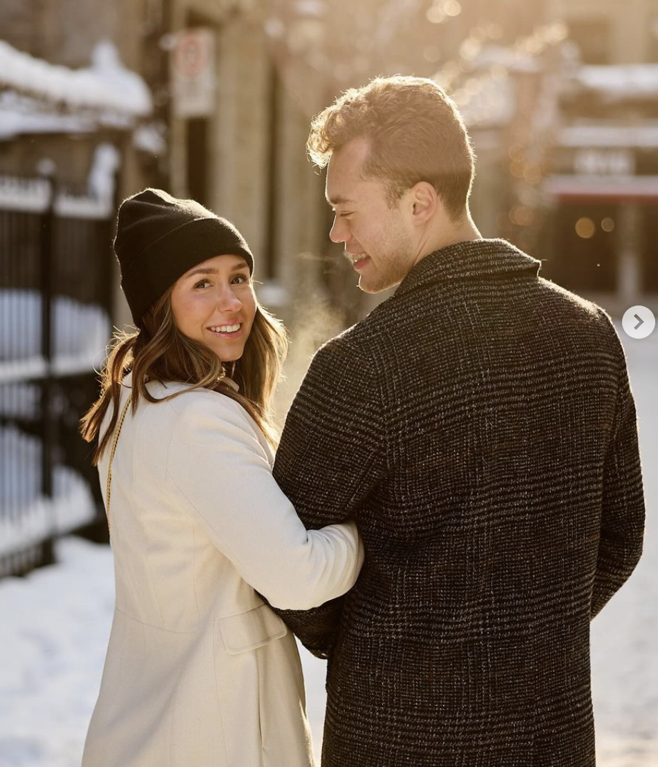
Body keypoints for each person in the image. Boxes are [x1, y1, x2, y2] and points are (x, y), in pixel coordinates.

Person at [270, 76, 645, 767]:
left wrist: (389, 647)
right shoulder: (590, 337)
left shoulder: (362, 366)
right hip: (549, 736)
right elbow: (620, 536)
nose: (334, 232)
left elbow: (282, 558)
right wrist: (529, 636)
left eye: (347, 210)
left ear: (419, 202)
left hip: (394, 739)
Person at [79, 188, 363, 767]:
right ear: (160, 304)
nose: (231, 302)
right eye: (202, 283)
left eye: (239, 277)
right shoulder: (197, 420)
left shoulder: (136, 400)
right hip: (217, 724)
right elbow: (297, 575)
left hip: (156, 712)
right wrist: (365, 533)